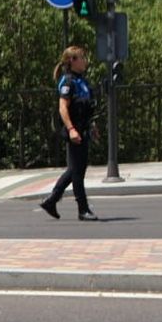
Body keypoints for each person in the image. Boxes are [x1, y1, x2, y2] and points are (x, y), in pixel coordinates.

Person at [40, 45, 99, 221]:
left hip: (83, 128)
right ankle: (83, 209)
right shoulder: (67, 82)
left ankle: (52, 200)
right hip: (74, 130)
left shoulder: (83, 81)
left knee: (75, 169)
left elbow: (87, 108)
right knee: (77, 172)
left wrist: (93, 126)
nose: (85, 61)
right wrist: (71, 129)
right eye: (81, 57)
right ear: (72, 61)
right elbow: (63, 108)